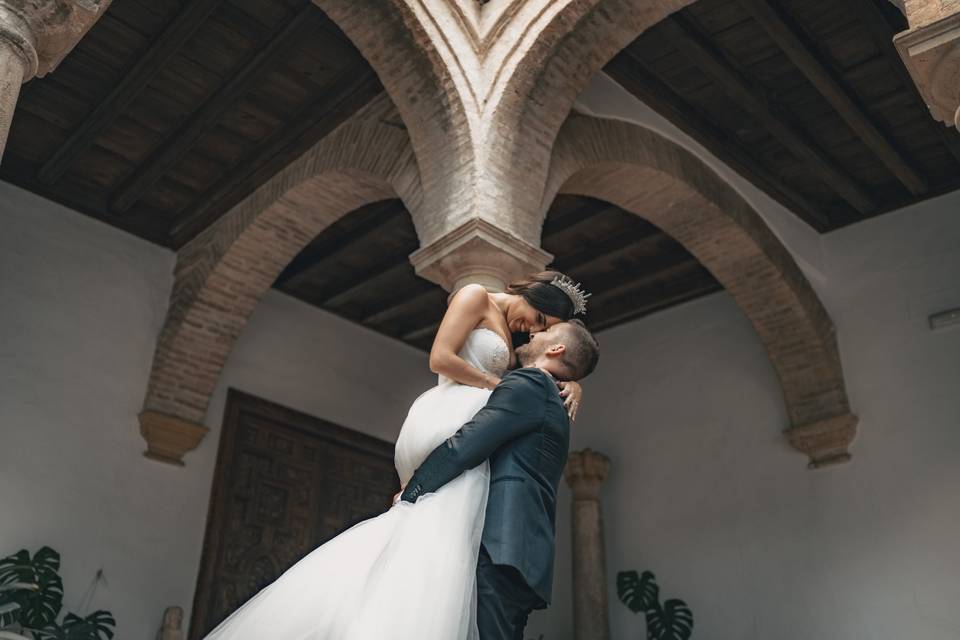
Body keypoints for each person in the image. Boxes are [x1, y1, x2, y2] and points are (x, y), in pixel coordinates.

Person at [202, 271, 596, 640]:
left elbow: (536, 383)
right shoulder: (475, 296)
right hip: (452, 419)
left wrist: (570, 383)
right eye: (539, 317)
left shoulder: (524, 365)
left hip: (472, 433)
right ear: (532, 295)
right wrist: (500, 386)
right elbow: (440, 359)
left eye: (544, 329)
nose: (534, 328)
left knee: (435, 547)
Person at [401, 318, 600, 639]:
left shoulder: (533, 385)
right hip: (519, 553)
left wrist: (413, 492)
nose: (534, 331)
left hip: (500, 547)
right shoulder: (548, 394)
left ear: (556, 348)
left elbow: (467, 444)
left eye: (545, 331)